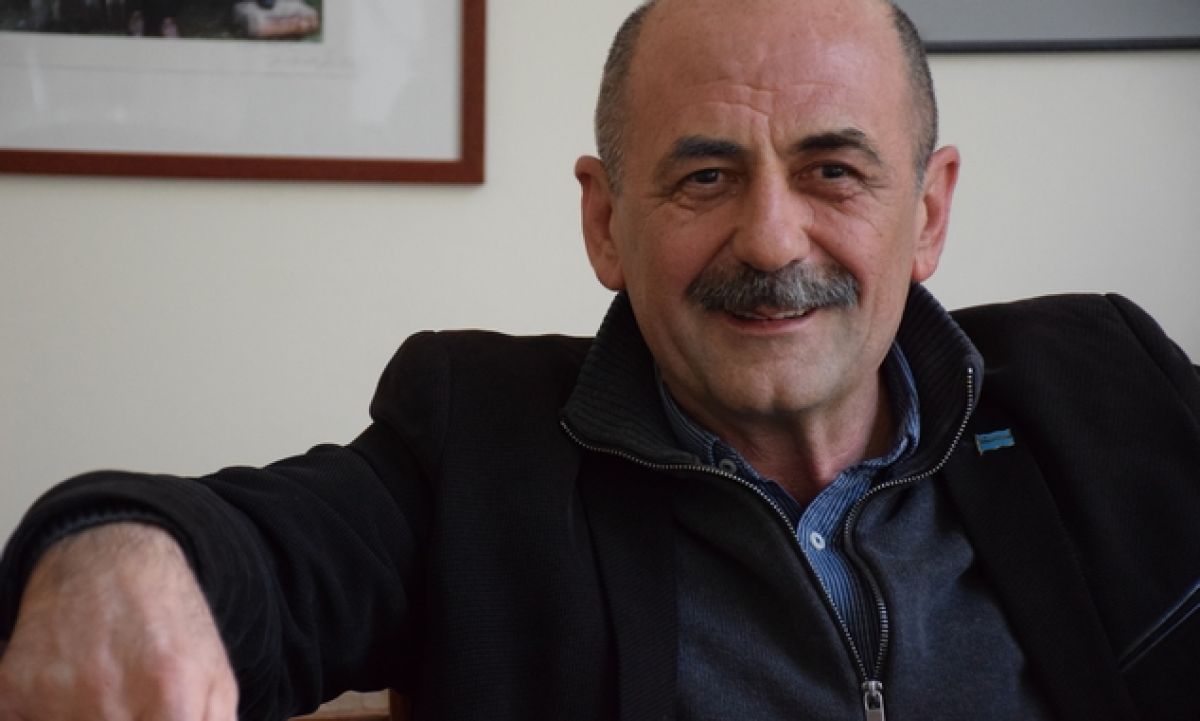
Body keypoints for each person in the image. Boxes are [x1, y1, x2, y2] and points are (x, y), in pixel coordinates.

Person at [2, 0, 1198, 719]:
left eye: (833, 170)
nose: (771, 239)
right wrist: (114, 552)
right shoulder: (472, 445)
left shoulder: (1112, 384)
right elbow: (269, 553)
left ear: (928, 212)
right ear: (604, 221)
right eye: (704, 176)